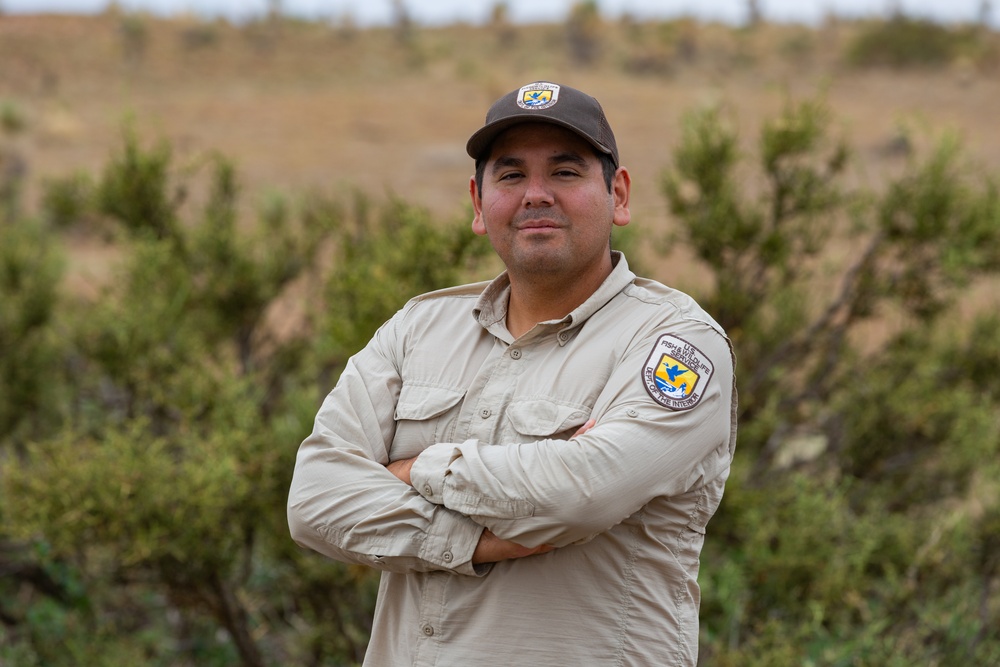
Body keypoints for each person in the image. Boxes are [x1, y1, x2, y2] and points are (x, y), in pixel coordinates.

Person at [287, 80, 737, 666]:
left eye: (566, 172)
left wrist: (414, 468)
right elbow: (314, 499)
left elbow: (583, 492)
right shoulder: (418, 329)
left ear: (619, 196)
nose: (536, 195)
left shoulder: (674, 343)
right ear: (478, 204)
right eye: (510, 175)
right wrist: (476, 539)